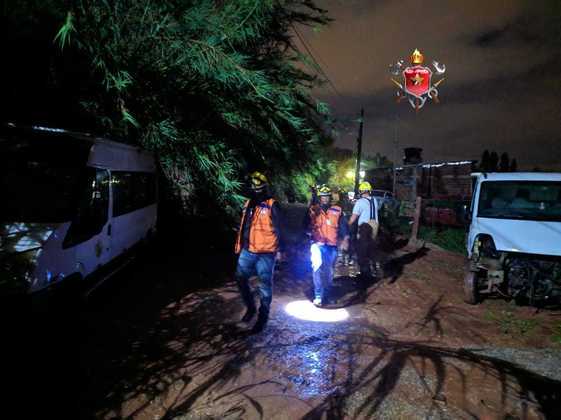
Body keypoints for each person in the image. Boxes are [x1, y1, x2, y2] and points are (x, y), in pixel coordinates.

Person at [234, 171, 283, 333]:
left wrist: (281, 249)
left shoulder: (271, 204)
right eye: (253, 186)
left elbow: (280, 228)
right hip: (248, 250)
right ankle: (251, 308)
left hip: (266, 252)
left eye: (258, 186)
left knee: (265, 285)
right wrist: (240, 244)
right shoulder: (249, 204)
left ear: (264, 187)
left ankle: (263, 316)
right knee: (240, 278)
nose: (255, 189)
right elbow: (244, 225)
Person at [306, 184, 350, 306]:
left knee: (329, 271)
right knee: (317, 266)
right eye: (322, 196)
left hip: (331, 245)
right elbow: (305, 223)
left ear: (330, 197)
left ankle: (328, 294)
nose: (324, 198)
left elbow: (343, 227)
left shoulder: (337, 210)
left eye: (326, 196)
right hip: (317, 244)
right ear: (319, 198)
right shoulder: (314, 210)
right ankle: (318, 295)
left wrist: (346, 239)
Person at [348, 181, 379, 282]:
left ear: (361, 191)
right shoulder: (375, 200)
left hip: (365, 228)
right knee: (371, 248)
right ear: (369, 191)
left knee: (362, 251)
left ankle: (365, 274)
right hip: (375, 227)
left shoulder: (360, 202)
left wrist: (347, 225)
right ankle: (373, 268)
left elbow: (353, 218)